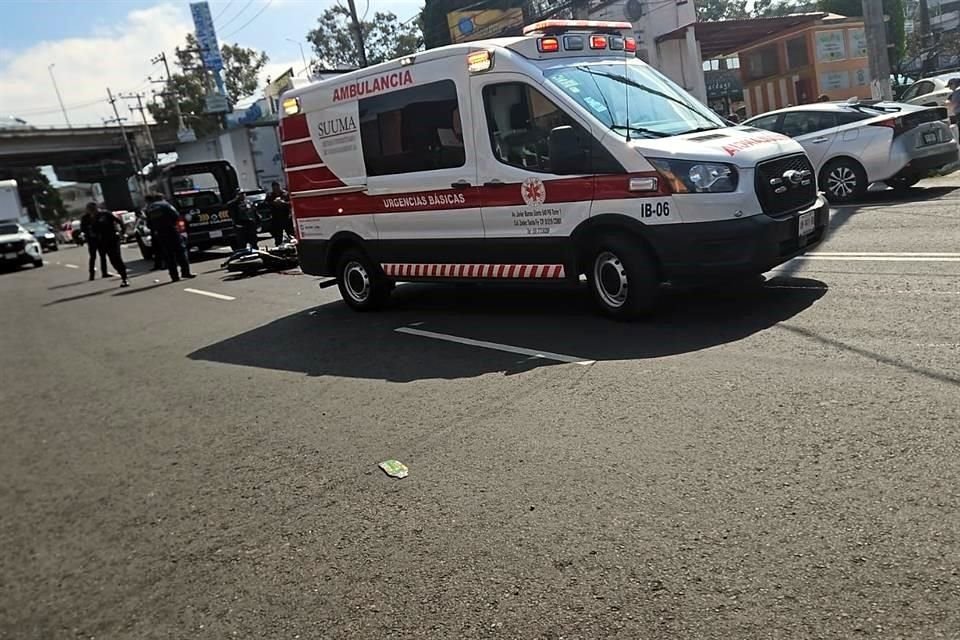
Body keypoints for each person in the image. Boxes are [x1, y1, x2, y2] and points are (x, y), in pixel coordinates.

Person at [145, 192, 194, 282]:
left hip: (160, 233)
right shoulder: (165, 205)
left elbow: (148, 224)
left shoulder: (149, 209)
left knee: (168, 255)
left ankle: (174, 276)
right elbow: (176, 216)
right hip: (172, 231)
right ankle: (185, 272)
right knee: (181, 252)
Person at [88, 203, 130, 287]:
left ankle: (124, 278)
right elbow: (93, 231)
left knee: (117, 257)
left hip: (113, 238)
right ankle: (121, 273)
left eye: (93, 209)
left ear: (96, 208)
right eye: (91, 210)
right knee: (112, 260)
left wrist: (123, 232)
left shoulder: (106, 214)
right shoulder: (93, 218)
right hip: (103, 241)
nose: (92, 211)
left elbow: (119, 221)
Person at [80, 203, 108, 280]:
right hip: (91, 240)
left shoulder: (99, 215)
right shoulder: (85, 218)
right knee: (93, 257)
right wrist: (89, 232)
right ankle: (92, 274)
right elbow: (83, 228)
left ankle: (104, 272)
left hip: (100, 239)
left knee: (103, 256)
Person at [265, 181, 293, 246]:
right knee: (278, 236)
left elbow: (291, 203)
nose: (276, 189)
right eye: (274, 188)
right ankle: (278, 247)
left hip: (286, 217)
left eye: (277, 187)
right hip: (276, 218)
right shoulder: (270, 195)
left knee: (291, 234)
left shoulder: (285, 194)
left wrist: (283, 203)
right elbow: (266, 205)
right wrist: (273, 203)